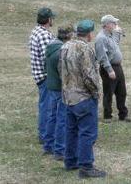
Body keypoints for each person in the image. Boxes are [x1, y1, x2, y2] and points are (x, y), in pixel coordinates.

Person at [60, 20, 106, 179]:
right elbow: (89, 75)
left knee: (71, 131)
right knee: (87, 133)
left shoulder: (65, 46)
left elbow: (61, 70)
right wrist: (95, 93)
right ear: (89, 34)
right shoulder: (85, 49)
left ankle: (70, 161)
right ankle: (86, 166)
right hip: (83, 97)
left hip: (68, 97)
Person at [42, 25, 74, 160]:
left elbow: (45, 67)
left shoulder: (50, 48)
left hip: (51, 87)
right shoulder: (62, 51)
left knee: (51, 117)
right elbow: (65, 73)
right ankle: (60, 150)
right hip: (60, 89)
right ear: (68, 36)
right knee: (62, 119)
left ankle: (48, 146)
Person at [95, 14, 131, 123]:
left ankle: (123, 115)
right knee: (109, 92)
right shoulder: (101, 38)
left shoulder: (110, 35)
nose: (116, 25)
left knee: (122, 92)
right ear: (106, 25)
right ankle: (107, 116)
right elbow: (102, 56)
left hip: (118, 67)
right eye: (113, 23)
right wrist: (109, 70)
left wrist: (120, 32)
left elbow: (116, 42)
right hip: (109, 68)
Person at [29, 7, 55, 144]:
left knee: (44, 105)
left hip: (39, 75)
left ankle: (43, 133)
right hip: (46, 76)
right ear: (48, 19)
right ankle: (45, 135)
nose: (53, 20)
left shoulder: (36, 31)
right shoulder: (44, 35)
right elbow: (49, 57)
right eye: (52, 18)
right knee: (47, 107)